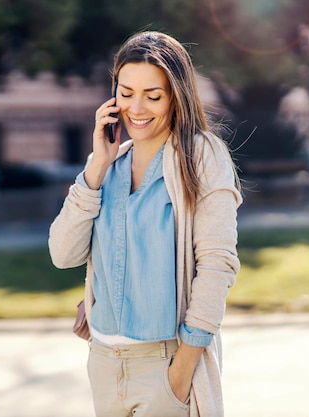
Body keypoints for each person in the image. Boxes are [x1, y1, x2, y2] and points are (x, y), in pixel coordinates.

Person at [48, 31, 242, 417]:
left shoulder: (202, 157)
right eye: (126, 92)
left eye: (153, 96)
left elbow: (217, 266)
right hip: (104, 362)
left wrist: (181, 373)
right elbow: (62, 254)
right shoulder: (110, 164)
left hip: (167, 365)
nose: (137, 107)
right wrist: (96, 167)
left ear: (176, 96)